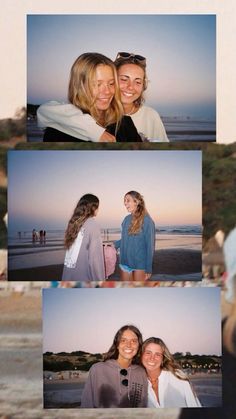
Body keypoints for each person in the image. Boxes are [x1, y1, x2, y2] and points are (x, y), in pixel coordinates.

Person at [37, 52, 168, 142]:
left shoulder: (126, 124)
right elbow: (45, 110)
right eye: (97, 84)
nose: (106, 91)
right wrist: (95, 132)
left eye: (111, 83)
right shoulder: (62, 125)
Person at [80, 325, 148, 408]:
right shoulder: (98, 369)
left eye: (134, 341)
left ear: (139, 345)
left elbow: (144, 406)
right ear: (117, 345)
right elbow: (87, 404)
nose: (129, 345)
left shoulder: (141, 372)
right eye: (123, 340)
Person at [114, 52, 168, 141]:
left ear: (143, 86)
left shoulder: (151, 116)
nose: (130, 87)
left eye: (138, 82)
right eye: (124, 79)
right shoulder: (95, 115)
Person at [141, 337, 201, 408]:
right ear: (141, 355)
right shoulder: (137, 384)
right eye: (148, 353)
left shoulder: (178, 377)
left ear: (163, 358)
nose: (152, 358)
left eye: (157, 354)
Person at [62, 194, 105, 281]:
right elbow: (95, 261)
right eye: (97, 206)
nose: (98, 209)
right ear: (93, 208)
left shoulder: (73, 224)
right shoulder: (93, 225)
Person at [115, 191, 155, 281]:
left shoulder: (147, 220)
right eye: (124, 201)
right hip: (124, 261)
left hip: (139, 263)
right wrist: (113, 245)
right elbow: (125, 239)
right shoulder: (126, 219)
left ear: (136, 202)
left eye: (128, 200)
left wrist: (149, 267)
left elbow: (150, 246)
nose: (125, 203)